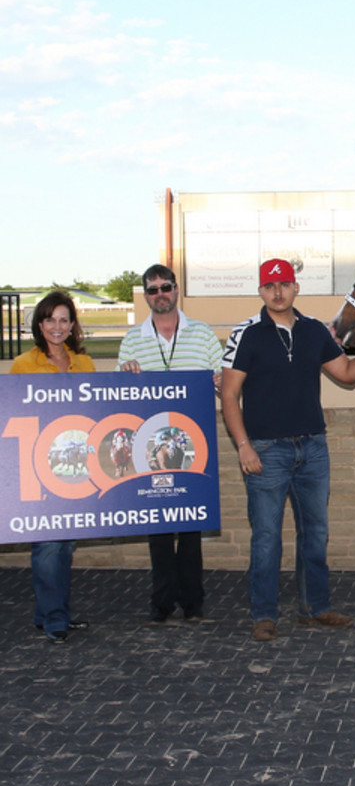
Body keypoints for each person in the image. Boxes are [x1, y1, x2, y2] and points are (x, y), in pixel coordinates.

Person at [221, 259, 355, 642]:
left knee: (315, 533)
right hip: (266, 450)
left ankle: (316, 608)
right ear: (261, 291)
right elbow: (229, 395)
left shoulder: (314, 331)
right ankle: (264, 614)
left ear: (296, 288)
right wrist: (244, 446)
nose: (277, 292)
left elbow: (346, 373)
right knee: (266, 537)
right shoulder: (245, 334)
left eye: (284, 284)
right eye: (269, 286)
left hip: (313, 447)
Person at [118, 264, 223, 623]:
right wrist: (127, 375)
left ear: (176, 290)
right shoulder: (133, 339)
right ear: (146, 295)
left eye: (166, 287)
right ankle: (162, 602)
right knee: (158, 527)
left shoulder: (203, 333)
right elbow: (121, 396)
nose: (160, 294)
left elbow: (222, 382)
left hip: (193, 445)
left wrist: (222, 382)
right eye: (152, 289)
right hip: (149, 447)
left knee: (191, 526)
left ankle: (193, 602)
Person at [10, 291, 96, 643]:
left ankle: (47, 612)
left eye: (64, 320)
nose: (57, 327)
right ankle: (56, 618)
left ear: (72, 325)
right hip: (36, 465)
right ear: (40, 324)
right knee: (47, 544)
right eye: (50, 320)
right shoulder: (23, 364)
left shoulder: (84, 364)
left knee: (64, 545)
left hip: (74, 467)